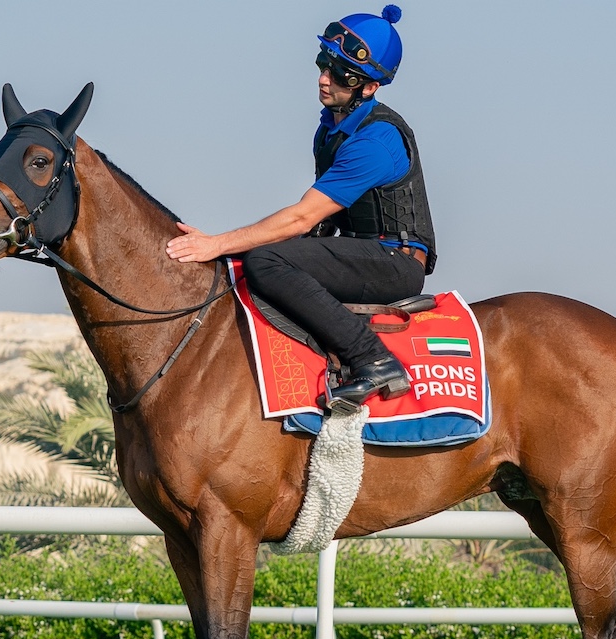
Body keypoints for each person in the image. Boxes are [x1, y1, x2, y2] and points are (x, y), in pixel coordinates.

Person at [166, 5, 437, 412]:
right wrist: (229, 249)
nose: (324, 78)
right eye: (323, 63)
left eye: (339, 72)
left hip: (394, 264)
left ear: (370, 87)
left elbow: (302, 216)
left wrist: (218, 242)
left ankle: (374, 360)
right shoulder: (330, 128)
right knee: (251, 258)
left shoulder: (376, 140)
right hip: (362, 253)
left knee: (267, 261)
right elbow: (321, 225)